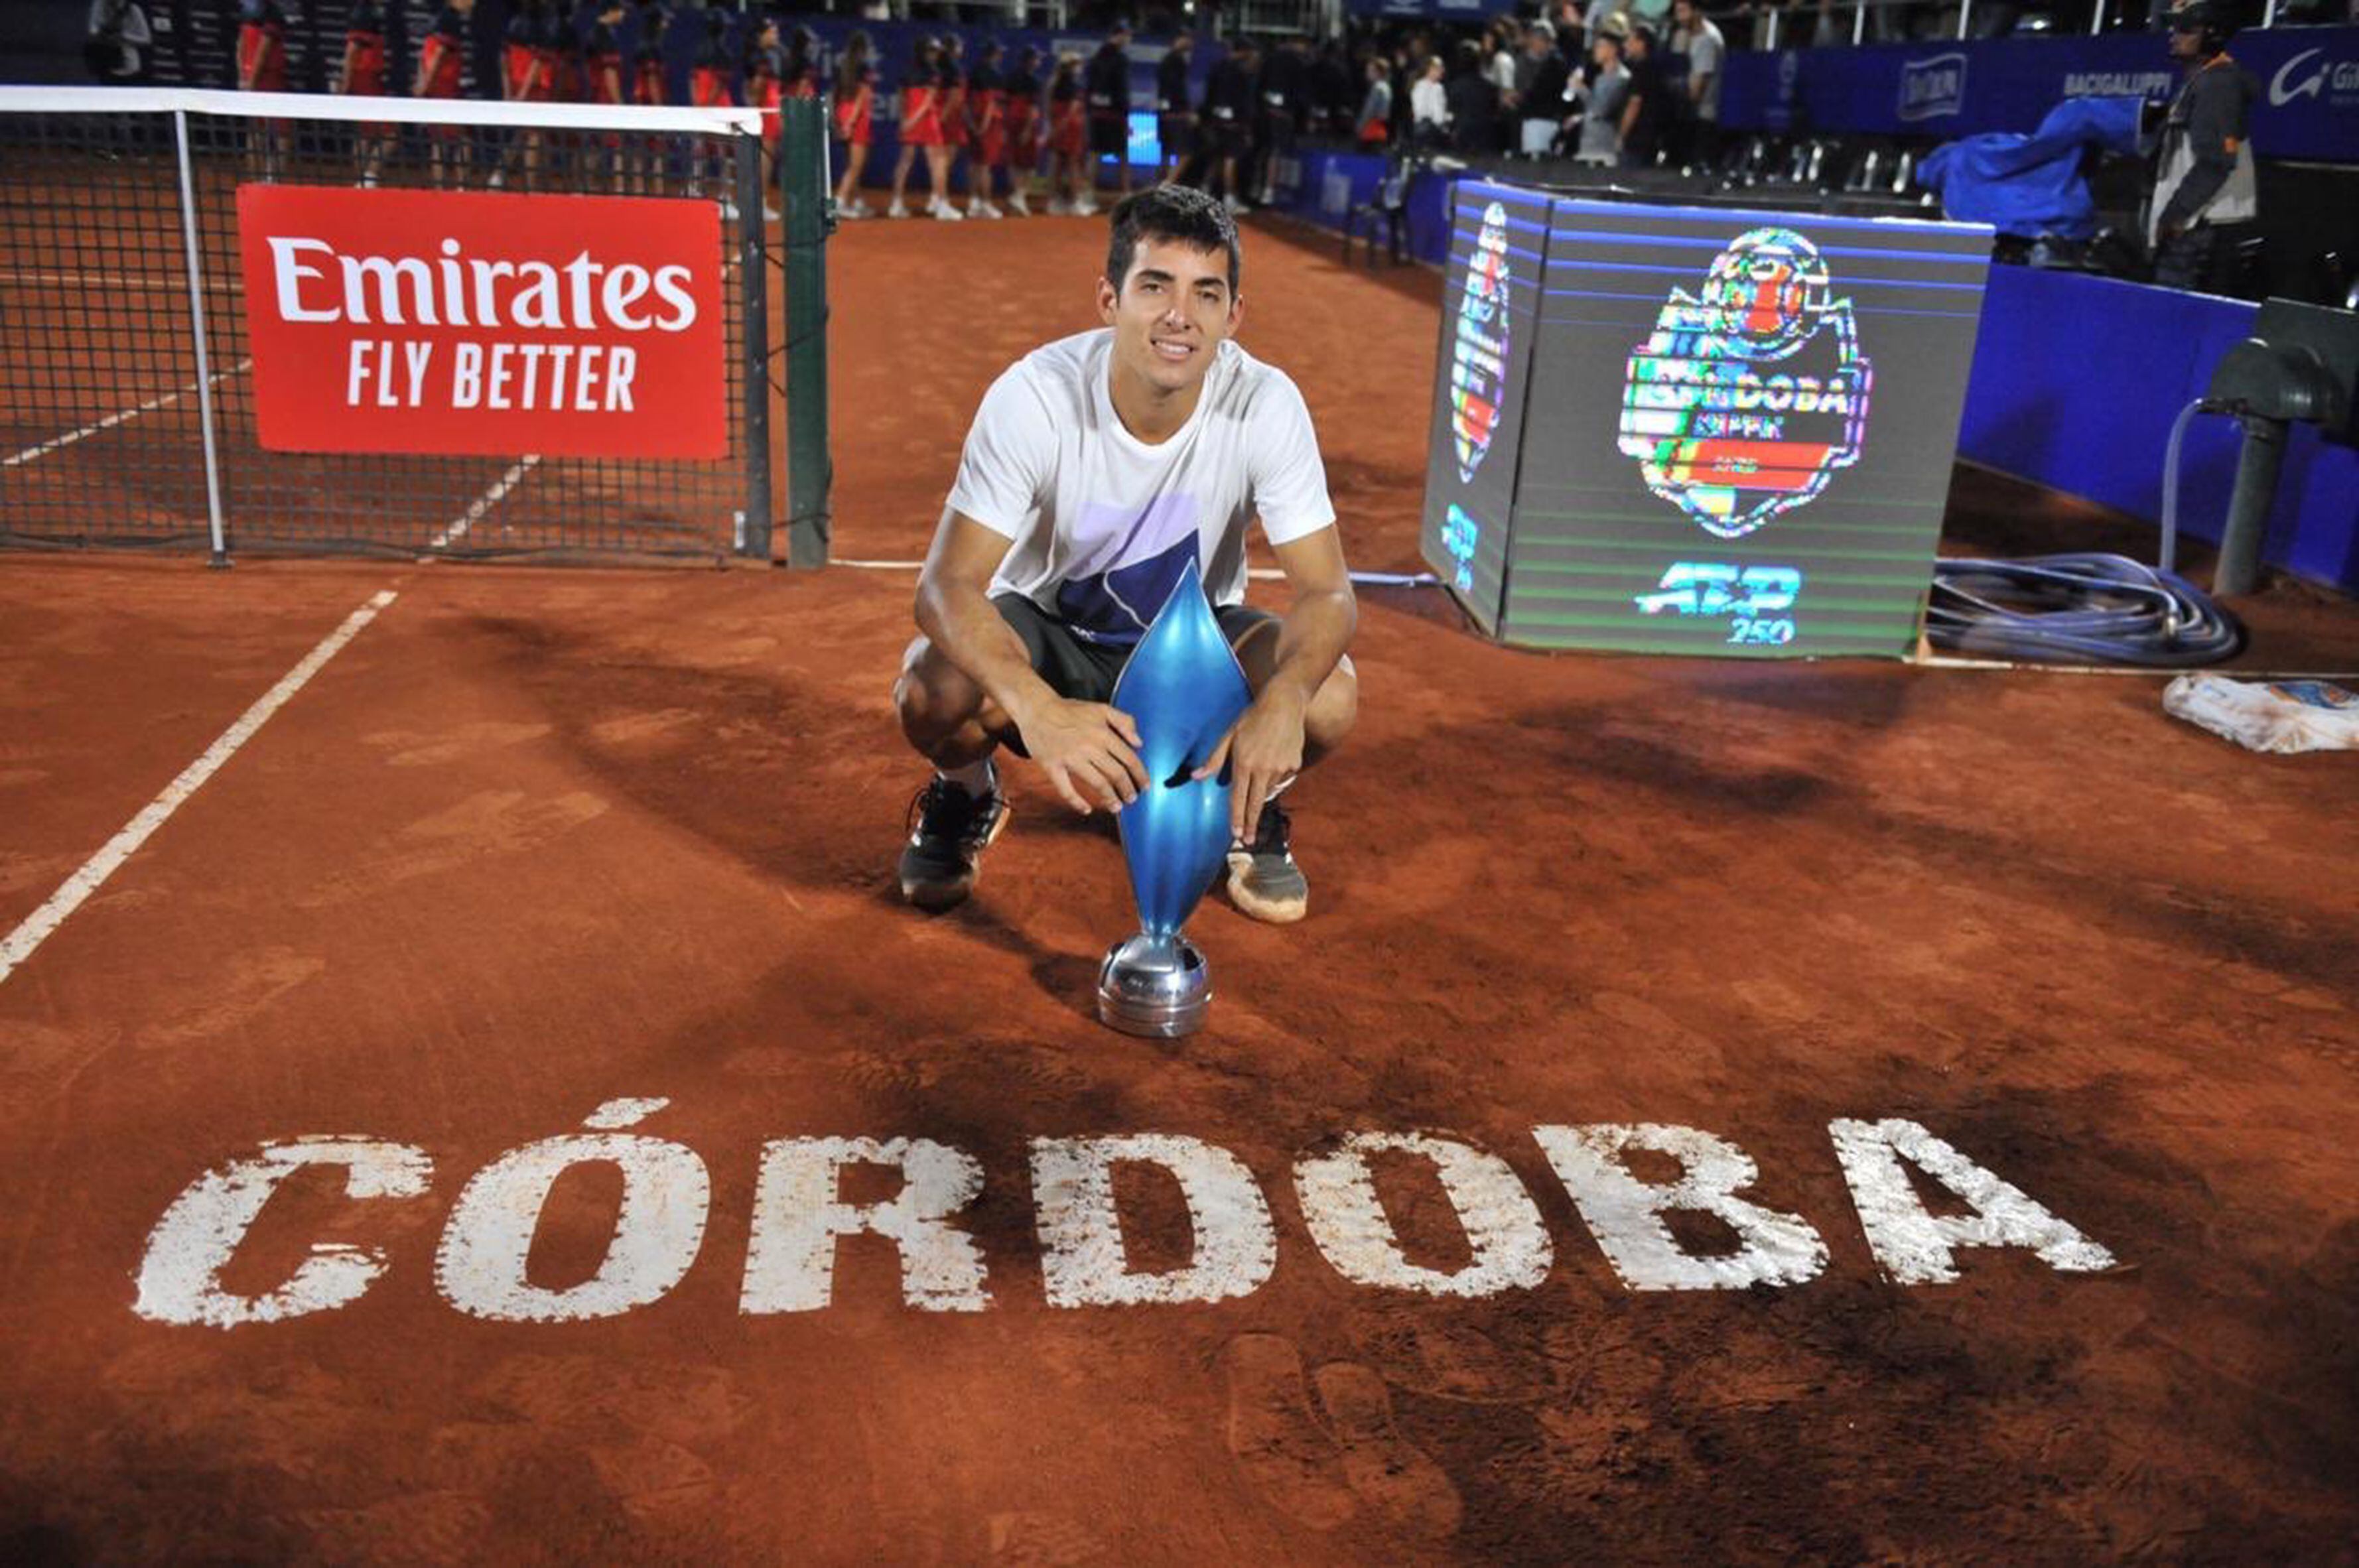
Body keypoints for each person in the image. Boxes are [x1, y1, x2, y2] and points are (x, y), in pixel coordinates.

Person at [892, 186, 1358, 925]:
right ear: (1109, 300)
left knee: (1329, 698)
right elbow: (945, 587)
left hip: (1191, 654)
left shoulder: (1264, 403)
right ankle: (968, 793)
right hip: (1051, 638)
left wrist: (1286, 698)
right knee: (932, 688)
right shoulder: (1035, 398)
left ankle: (1246, 814)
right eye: (1154, 287)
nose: (1180, 316)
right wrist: (1038, 708)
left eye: (1206, 294)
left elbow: (1327, 593)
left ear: (1232, 316)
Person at [2147, 1, 2259, 293]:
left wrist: (2176, 213)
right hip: (2195, 224)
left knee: (2175, 316)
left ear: (2212, 35)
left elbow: (2216, 161)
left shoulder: (2218, 85)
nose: (2174, 34)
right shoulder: (2203, 81)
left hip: (2198, 227)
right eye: (2174, 26)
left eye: (2185, 29)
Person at [888, 35, 959, 221]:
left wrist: (906, 120)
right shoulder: (933, 71)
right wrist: (913, 120)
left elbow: (903, 98)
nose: (936, 55)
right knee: (939, 162)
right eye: (932, 51)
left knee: (905, 161)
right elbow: (928, 101)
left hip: (911, 120)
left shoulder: (907, 70)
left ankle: (896, 204)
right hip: (926, 120)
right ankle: (942, 205)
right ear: (925, 52)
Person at [415, 0, 472, 186]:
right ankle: (462, 186)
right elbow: (439, 53)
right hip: (445, 88)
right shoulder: (450, 20)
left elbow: (424, 54)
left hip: (437, 87)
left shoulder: (439, 17)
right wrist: (426, 83)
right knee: (463, 139)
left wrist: (422, 83)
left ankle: (440, 187)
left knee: (438, 139)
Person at [336, 0, 391, 188]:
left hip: (367, 80)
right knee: (389, 134)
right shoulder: (364, 15)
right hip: (366, 80)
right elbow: (352, 52)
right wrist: (345, 84)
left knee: (365, 133)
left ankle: (363, 178)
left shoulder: (366, 12)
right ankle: (368, 176)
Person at [1201, 36, 1258, 212]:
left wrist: (1208, 118)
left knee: (1217, 158)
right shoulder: (1240, 73)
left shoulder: (1217, 68)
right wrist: (1246, 126)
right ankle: (1229, 198)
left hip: (1216, 121)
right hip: (1233, 124)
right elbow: (1243, 101)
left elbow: (1209, 95)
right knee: (1230, 160)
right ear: (1244, 52)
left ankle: (1203, 194)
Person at [1666, 0, 1723, 170]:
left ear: (1697, 12)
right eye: (1677, 12)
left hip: (1703, 115)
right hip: (1684, 112)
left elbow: (1696, 91)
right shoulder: (1682, 35)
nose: (1680, 18)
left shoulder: (1708, 39)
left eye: (1684, 11)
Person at [236, 0, 289, 180]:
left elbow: (240, 46)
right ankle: (273, 182)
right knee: (281, 132)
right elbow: (263, 51)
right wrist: (252, 82)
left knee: (256, 131)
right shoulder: (272, 13)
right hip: (267, 79)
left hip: (252, 77)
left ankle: (258, 181)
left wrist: (244, 76)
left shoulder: (249, 11)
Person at [1086, 21, 1136, 202]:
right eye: (1128, 35)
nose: (1129, 38)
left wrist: (1091, 108)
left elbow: (1089, 88)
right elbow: (1122, 91)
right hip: (1115, 115)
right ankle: (1126, 194)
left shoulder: (1096, 56)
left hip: (1097, 113)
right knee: (1123, 155)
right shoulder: (1121, 60)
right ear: (1119, 35)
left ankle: (1089, 194)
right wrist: (1126, 117)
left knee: (1095, 154)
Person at [832, 29, 878, 218]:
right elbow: (862, 96)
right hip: (856, 117)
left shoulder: (842, 64)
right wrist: (851, 122)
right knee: (856, 165)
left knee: (853, 163)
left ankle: (856, 202)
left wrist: (840, 119)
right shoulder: (864, 66)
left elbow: (837, 94)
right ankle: (839, 202)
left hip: (843, 110)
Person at [1572, 23, 1629, 166]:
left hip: (1605, 148)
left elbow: (1601, 109)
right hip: (1589, 144)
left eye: (1600, 46)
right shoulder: (1600, 78)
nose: (1595, 51)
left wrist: (1581, 89)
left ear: (1613, 50)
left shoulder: (1621, 78)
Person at [967, 38, 1008, 218]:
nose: (1001, 57)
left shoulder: (974, 72)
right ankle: (986, 204)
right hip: (988, 125)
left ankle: (973, 203)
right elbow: (991, 103)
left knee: (975, 163)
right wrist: (983, 126)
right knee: (985, 166)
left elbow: (966, 103)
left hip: (974, 124)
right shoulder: (995, 75)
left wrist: (972, 125)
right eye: (999, 54)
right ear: (995, 55)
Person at [1618, 23, 1668, 169]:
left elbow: (1635, 104)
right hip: (1650, 139)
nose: (1625, 45)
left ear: (1641, 44)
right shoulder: (1655, 67)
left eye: (1630, 40)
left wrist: (1621, 135)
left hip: (1638, 140)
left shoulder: (1643, 69)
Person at [1517, 21, 1569, 159]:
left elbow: (1540, 92)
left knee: (1537, 165)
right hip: (1541, 120)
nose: (1532, 45)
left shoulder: (1555, 63)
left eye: (1534, 41)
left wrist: (1524, 100)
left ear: (1542, 41)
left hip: (1542, 123)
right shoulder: (1552, 61)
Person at [1003, 44, 1043, 216]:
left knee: (1015, 162)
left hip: (1011, 122)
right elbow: (1032, 109)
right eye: (1037, 58)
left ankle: (1017, 196)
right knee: (1029, 164)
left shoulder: (1010, 77)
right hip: (1025, 123)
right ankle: (1019, 196)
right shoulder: (1034, 81)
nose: (1039, 62)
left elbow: (1005, 104)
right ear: (1031, 61)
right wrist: (1028, 129)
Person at [1049, 51, 1089, 214]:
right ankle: (1075, 203)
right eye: (1078, 64)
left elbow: (1051, 110)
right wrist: (1061, 128)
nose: (1080, 67)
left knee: (1058, 164)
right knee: (1073, 165)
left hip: (1060, 127)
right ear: (1071, 66)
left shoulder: (1055, 83)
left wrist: (1055, 129)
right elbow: (1072, 111)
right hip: (1070, 129)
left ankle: (1055, 202)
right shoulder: (1073, 84)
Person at [1444, 38, 1497, 159]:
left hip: (1465, 137)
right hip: (1483, 138)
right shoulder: (1489, 86)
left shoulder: (1456, 86)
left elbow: (1450, 112)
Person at [1156, 31, 1196, 187]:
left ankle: (1162, 183)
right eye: (1188, 39)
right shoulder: (1175, 61)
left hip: (1165, 113)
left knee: (1166, 151)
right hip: (1176, 114)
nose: (1190, 43)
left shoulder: (1169, 60)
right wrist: (1186, 111)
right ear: (1178, 40)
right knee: (1185, 153)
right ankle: (1167, 185)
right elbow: (1176, 89)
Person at [1410, 52, 1449, 151]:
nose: (1443, 70)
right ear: (1430, 69)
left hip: (1437, 133)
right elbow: (1421, 111)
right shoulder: (1421, 86)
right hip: (1426, 133)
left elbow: (1440, 111)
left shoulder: (1439, 87)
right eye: (1439, 68)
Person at [1356, 54, 1394, 148]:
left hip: (1371, 130)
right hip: (1380, 130)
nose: (1367, 73)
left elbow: (1369, 110)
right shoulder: (1386, 87)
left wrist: (1360, 126)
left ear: (1378, 73)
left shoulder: (1378, 88)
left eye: (1370, 71)